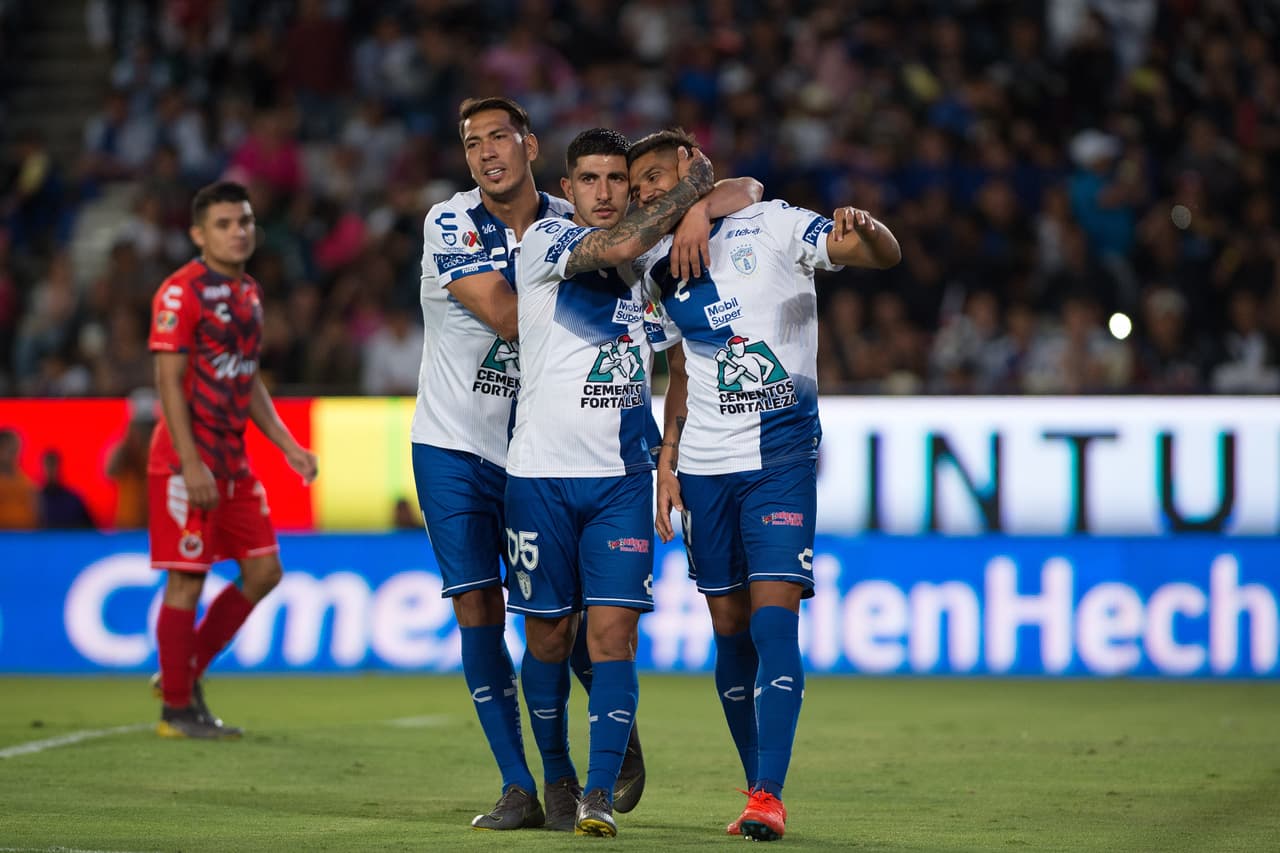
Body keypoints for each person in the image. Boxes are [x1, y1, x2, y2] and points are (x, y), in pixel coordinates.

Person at [632, 129, 901, 841]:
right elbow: (682, 366)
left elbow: (876, 255)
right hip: (704, 469)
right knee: (728, 629)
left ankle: (768, 795)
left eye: (658, 176)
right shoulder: (656, 264)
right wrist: (668, 454)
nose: (649, 193)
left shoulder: (774, 220)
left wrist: (869, 233)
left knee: (775, 617)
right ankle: (756, 783)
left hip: (781, 455)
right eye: (639, 188)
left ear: (690, 164)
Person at [510, 127, 762, 836]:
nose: (601, 192)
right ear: (568, 189)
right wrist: (691, 193)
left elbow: (749, 194)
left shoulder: (655, 258)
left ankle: (595, 793)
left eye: (615, 180)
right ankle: (556, 776)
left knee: (613, 638)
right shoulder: (546, 243)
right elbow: (619, 244)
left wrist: (666, 457)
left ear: (628, 186)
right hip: (540, 476)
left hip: (622, 479)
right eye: (587, 179)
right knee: (550, 640)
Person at [412, 96, 644, 832]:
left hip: (533, 444)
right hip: (455, 441)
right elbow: (513, 316)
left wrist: (694, 211)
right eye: (472, 141)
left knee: (564, 620)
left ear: (530, 145)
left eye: (499, 137)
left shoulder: (571, 208)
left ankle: (610, 716)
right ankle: (528, 784)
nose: (486, 152)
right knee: (479, 610)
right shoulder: (450, 222)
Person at [147, 180, 318, 740]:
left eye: (244, 221)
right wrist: (190, 463)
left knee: (265, 570)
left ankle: (180, 672)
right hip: (185, 459)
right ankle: (177, 711)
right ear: (199, 234)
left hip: (234, 460)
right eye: (223, 224)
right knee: (186, 584)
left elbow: (246, 382)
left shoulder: (249, 293)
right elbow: (168, 381)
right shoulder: (180, 293)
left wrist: (288, 446)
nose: (237, 231)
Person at [38, 448, 95, 528]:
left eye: (53, 464)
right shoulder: (34, 500)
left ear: (59, 466)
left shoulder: (73, 500)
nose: (50, 470)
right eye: (47, 465)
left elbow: (90, 528)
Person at [0, 427, 38, 529]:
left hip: (23, 540)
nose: (15, 455)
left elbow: (37, 515)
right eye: (11, 450)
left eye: (17, 450)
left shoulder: (27, 483)